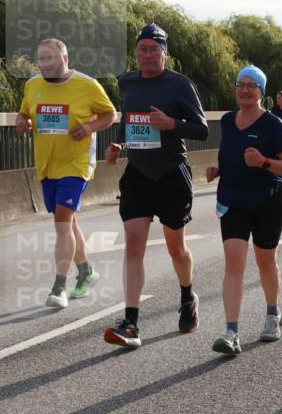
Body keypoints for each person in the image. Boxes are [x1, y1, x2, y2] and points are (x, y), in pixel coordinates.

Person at [103, 23, 208, 348]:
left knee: (176, 247)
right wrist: (119, 144)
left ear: (164, 53)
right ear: (136, 53)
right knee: (134, 244)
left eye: (154, 49)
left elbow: (202, 129)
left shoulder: (179, 85)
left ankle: (188, 297)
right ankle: (131, 322)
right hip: (138, 174)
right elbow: (127, 117)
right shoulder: (128, 82)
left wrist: (171, 124)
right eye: (142, 49)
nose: (148, 54)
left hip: (171, 174)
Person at [15, 38, 117, 308]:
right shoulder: (33, 85)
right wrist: (22, 121)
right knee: (67, 221)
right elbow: (24, 112)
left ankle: (59, 286)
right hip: (47, 164)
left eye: (50, 58)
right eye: (41, 59)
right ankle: (86, 272)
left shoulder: (87, 85)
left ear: (65, 58)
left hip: (76, 164)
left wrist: (88, 128)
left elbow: (110, 114)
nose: (45, 64)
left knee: (62, 220)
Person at [207, 66, 282, 356]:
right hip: (233, 199)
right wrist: (218, 169)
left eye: (251, 85)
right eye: (240, 85)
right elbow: (232, 155)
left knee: (266, 262)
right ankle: (231, 332)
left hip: (267, 200)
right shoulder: (227, 121)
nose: (244, 90)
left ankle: (273, 313)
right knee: (234, 264)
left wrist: (263, 162)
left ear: (262, 92)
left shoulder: (275, 126)